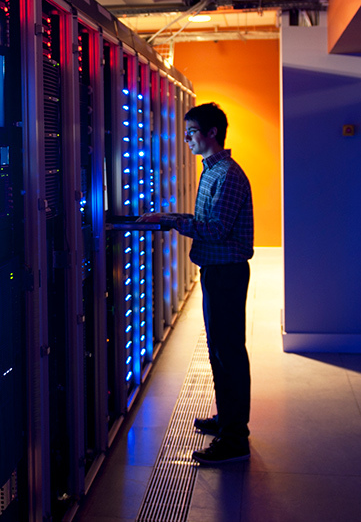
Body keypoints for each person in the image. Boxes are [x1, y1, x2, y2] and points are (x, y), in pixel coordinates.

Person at [139, 102, 254, 464]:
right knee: (218, 350)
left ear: (211, 133)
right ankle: (228, 419)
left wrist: (172, 221)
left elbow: (216, 230)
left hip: (227, 273)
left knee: (229, 352)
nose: (185, 138)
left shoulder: (228, 175)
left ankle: (236, 438)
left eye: (190, 132)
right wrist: (169, 216)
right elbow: (207, 220)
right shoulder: (211, 171)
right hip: (215, 272)